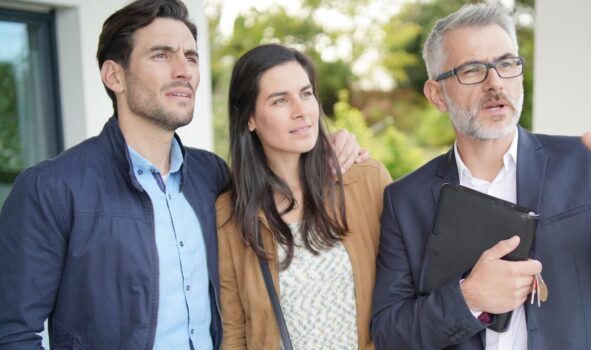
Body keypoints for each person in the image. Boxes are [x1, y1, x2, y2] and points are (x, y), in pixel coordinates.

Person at [0, 1, 364, 349]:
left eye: (190, 57)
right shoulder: (52, 189)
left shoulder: (213, 176)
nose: (184, 70)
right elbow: (13, 333)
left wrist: (331, 144)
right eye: (161, 55)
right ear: (115, 75)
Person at [370, 3, 591, 350]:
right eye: (471, 70)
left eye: (506, 63)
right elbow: (391, 333)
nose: (494, 82)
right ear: (437, 95)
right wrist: (469, 298)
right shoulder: (404, 201)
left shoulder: (584, 166)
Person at [216, 43, 392, 350]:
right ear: (249, 119)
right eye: (280, 100)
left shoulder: (367, 180)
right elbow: (233, 332)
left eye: (306, 93)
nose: (301, 111)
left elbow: (406, 292)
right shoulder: (229, 215)